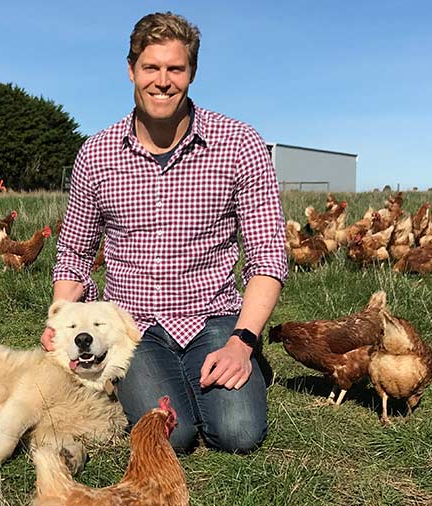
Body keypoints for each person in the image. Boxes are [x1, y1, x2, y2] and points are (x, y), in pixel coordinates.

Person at [42, 12, 287, 454]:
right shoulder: (97, 154)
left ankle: (224, 366)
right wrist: (59, 321)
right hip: (131, 325)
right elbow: (75, 252)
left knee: (238, 433)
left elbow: (268, 254)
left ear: (191, 72)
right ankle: (149, 379)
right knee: (173, 434)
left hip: (212, 316)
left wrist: (243, 341)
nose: (163, 81)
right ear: (132, 70)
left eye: (175, 68)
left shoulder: (239, 144)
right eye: (151, 67)